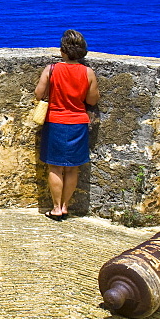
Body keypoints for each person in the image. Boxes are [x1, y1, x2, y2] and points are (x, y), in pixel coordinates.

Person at [34, 29, 100, 220]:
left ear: (63, 51)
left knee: (55, 167)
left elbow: (39, 94)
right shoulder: (88, 72)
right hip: (78, 123)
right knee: (72, 168)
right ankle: (65, 206)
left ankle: (55, 208)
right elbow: (92, 100)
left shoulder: (52, 69)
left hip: (55, 122)